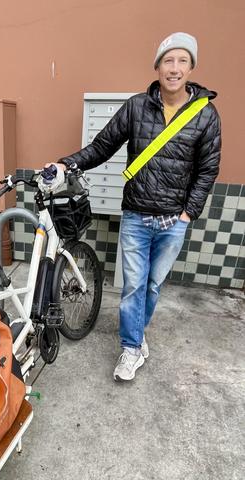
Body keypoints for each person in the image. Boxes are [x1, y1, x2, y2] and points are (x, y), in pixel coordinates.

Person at [48, 32, 222, 382]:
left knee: (152, 287)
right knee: (132, 287)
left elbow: (208, 170)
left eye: (182, 61)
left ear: (191, 68)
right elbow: (102, 146)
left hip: (174, 219)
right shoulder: (137, 107)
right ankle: (131, 348)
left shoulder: (206, 115)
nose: (174, 68)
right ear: (157, 67)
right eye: (168, 61)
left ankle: (137, 337)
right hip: (137, 215)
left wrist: (188, 213)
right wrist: (68, 164)